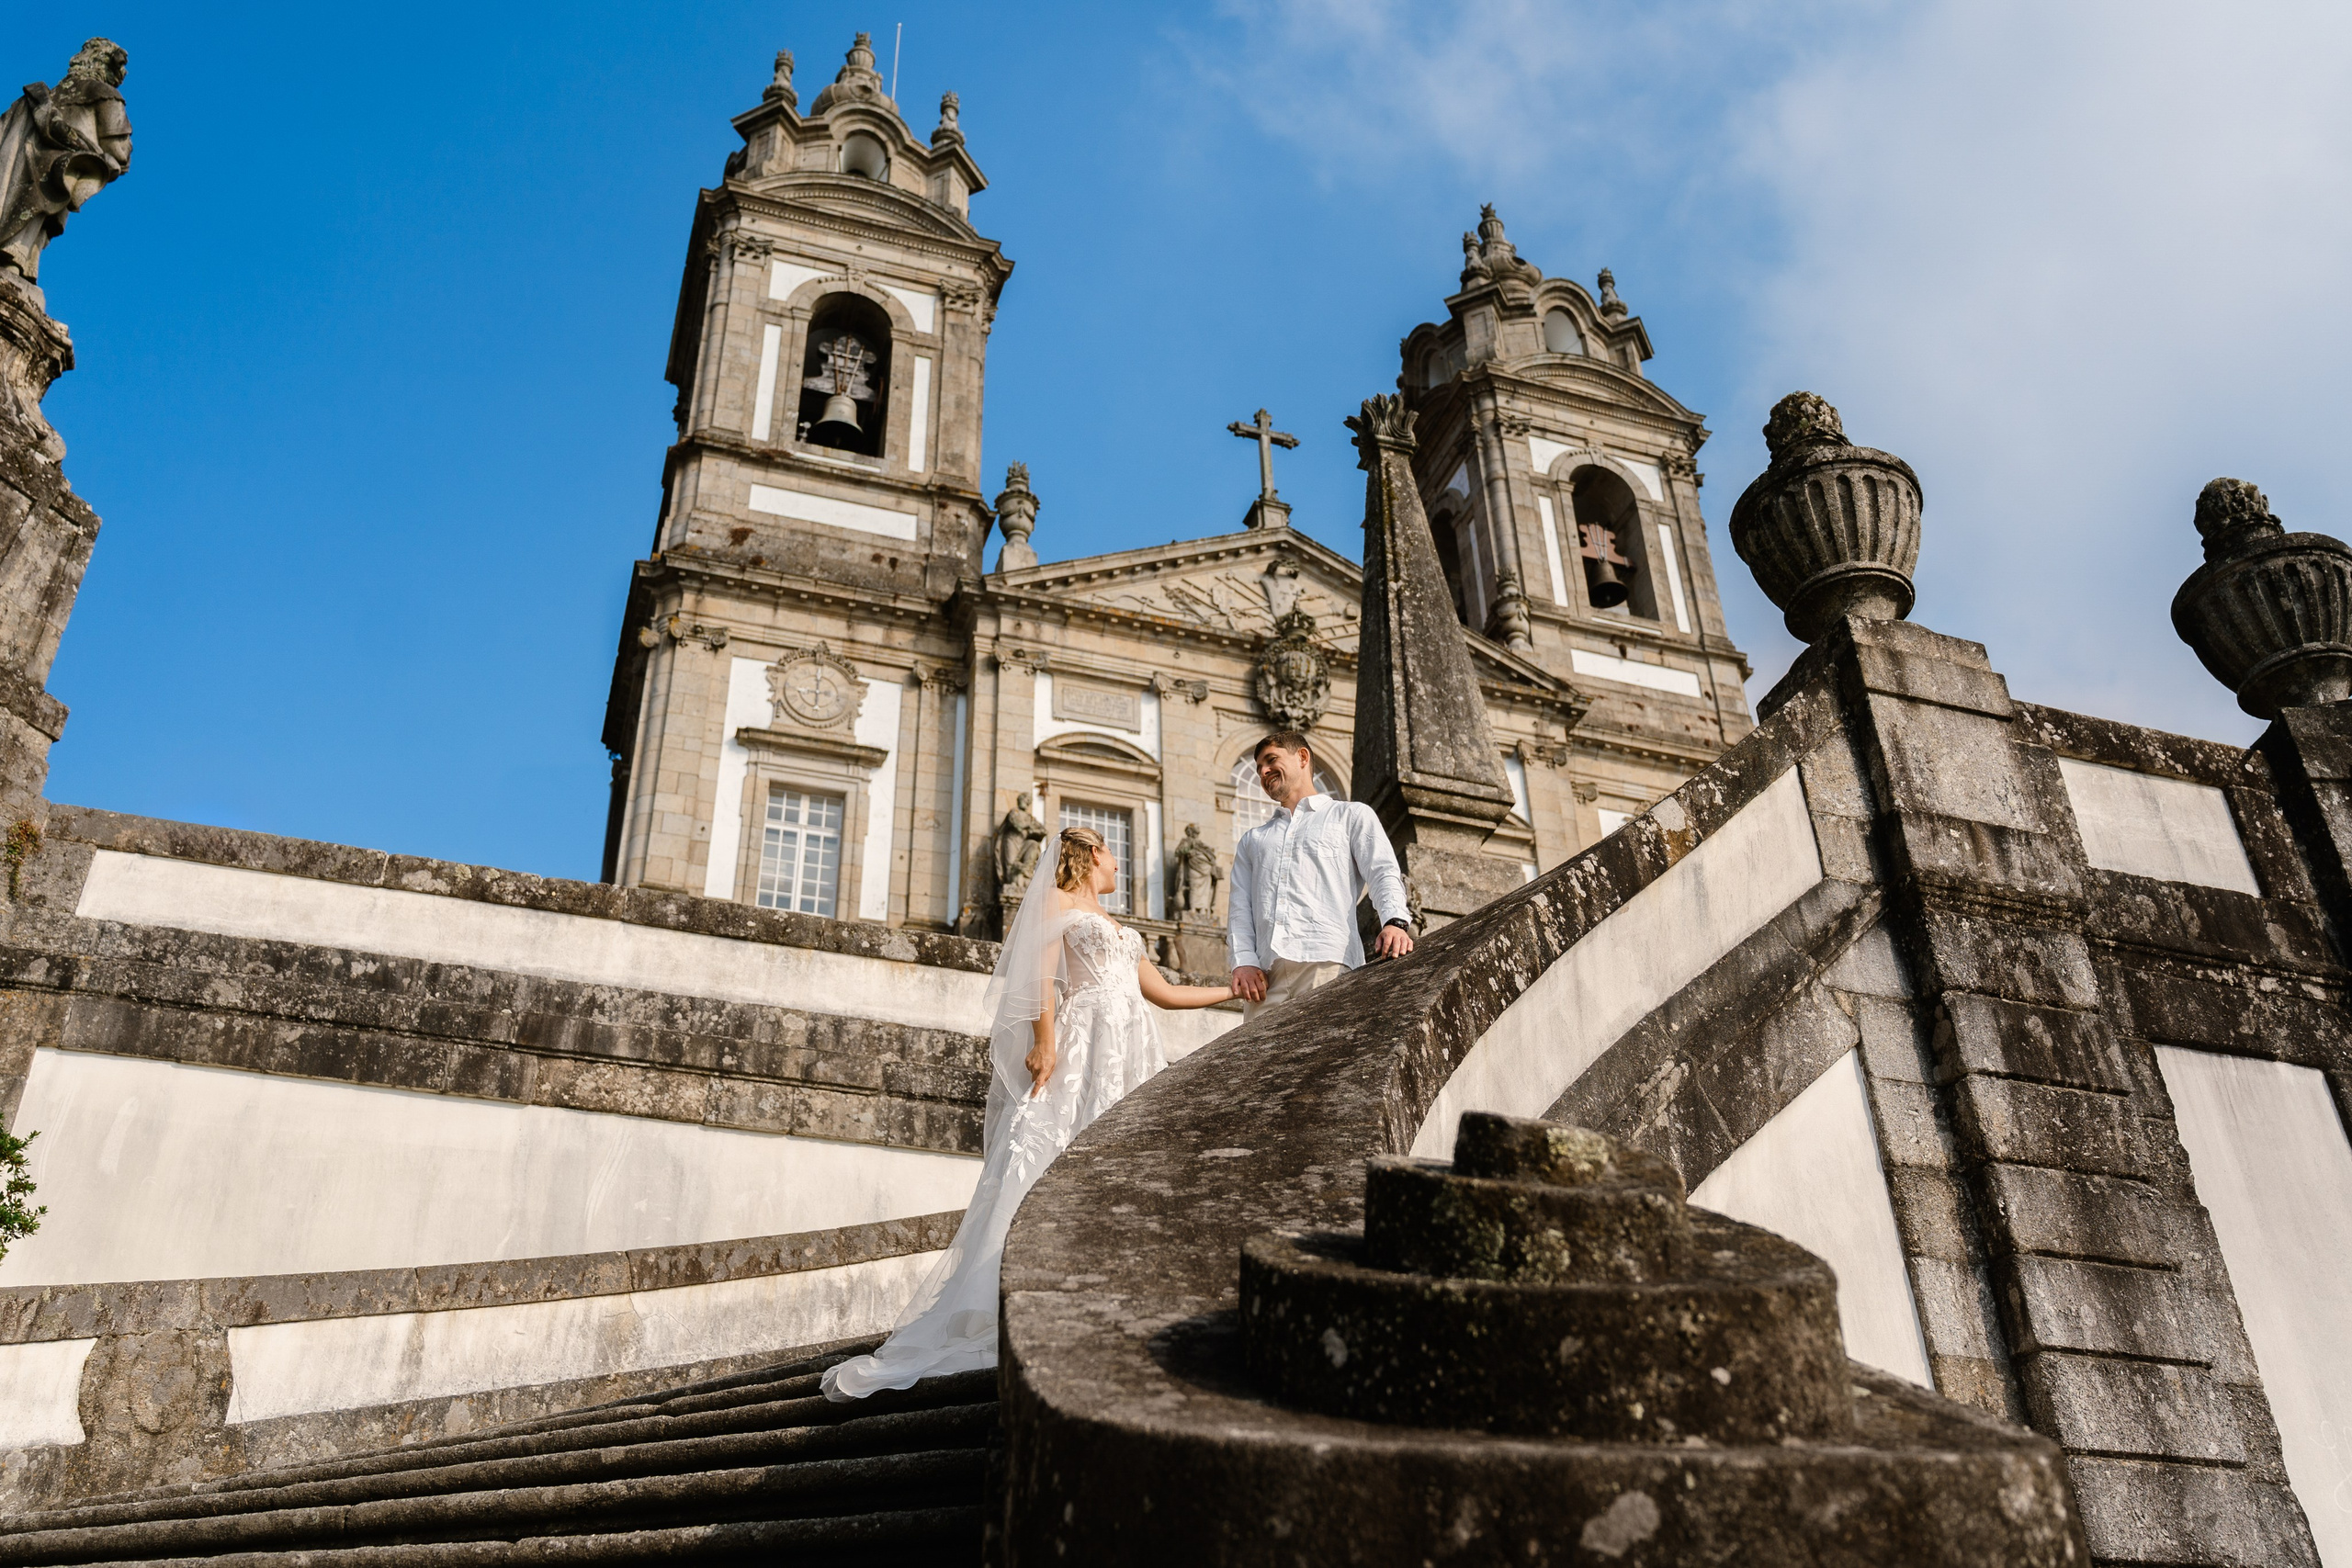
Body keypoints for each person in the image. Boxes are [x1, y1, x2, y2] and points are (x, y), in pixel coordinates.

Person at [822, 826, 1233, 1399]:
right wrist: (1045, 1042)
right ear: (1093, 855)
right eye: (1113, 856)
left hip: (1132, 1046)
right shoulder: (1057, 904)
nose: (1119, 867)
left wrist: (1234, 991)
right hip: (1085, 1037)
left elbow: (1164, 993)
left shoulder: (1119, 928)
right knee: (1054, 1148)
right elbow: (1041, 975)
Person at [1228, 730, 1414, 1020]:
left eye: (1271, 760)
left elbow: (1383, 871)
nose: (1263, 772)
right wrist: (1243, 962)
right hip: (1265, 978)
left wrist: (1395, 922)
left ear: (1302, 757)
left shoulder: (1351, 816)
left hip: (1328, 963)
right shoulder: (1253, 840)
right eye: (1259, 768)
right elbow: (1240, 908)